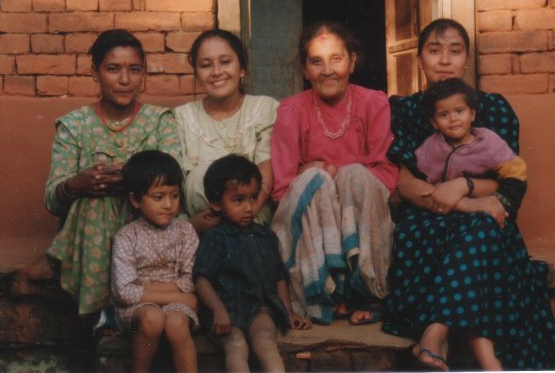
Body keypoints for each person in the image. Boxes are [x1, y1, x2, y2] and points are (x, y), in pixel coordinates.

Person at [382, 18, 555, 370]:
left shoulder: (493, 108)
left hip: (481, 213)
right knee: (469, 226)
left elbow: (507, 180)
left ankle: (434, 337)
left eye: (455, 51)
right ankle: (480, 357)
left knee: (483, 228)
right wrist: (467, 200)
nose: (445, 60)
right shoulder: (406, 110)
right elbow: (405, 185)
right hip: (427, 215)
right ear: (420, 57)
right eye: (434, 51)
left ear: (467, 58)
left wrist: (463, 185)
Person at [44, 29, 182, 332]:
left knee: (153, 196)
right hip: (91, 230)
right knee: (94, 201)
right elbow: (52, 201)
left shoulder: (160, 121)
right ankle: (104, 307)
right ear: (95, 72)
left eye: (134, 70)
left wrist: (133, 178)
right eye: (113, 69)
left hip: (151, 231)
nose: (124, 79)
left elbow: (174, 178)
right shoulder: (74, 126)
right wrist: (77, 185)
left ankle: (131, 303)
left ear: (143, 73)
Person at [270, 21, 398, 325]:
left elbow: (387, 175)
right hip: (314, 213)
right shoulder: (291, 111)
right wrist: (321, 181)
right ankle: (328, 292)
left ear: (352, 62)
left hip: (360, 199)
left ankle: (368, 290)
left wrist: (335, 173)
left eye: (336, 59)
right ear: (304, 70)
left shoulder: (374, 103)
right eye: (316, 62)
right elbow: (281, 188)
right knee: (315, 182)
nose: (327, 70)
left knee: (353, 176)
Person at [194, 155, 311, 373]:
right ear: (216, 203)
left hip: (259, 308)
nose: (248, 207)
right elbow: (201, 279)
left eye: (253, 198)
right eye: (238, 200)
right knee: (236, 347)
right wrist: (218, 309)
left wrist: (287, 311)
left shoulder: (265, 236)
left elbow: (278, 277)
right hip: (224, 310)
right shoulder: (216, 238)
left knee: (265, 343)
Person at [175, 29, 278, 234]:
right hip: (205, 227)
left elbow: (267, 166)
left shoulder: (265, 109)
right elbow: (177, 181)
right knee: (198, 176)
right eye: (206, 65)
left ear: (242, 68)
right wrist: (191, 225)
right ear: (196, 73)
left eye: (225, 62)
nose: (216, 72)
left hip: (255, 221)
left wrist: (248, 212)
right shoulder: (182, 117)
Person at [111, 150, 199, 373]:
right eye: (158, 197)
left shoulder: (185, 231)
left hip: (175, 306)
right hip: (138, 310)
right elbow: (124, 293)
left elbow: (190, 280)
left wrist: (146, 287)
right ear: (135, 200)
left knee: (177, 323)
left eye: (175, 195)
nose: (169, 205)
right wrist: (177, 295)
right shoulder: (127, 236)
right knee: (153, 317)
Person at [415, 77, 528, 229]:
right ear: (434, 123)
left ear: (472, 114)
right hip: (440, 209)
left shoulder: (487, 142)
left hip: (479, 209)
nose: (453, 119)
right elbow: (418, 177)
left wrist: (500, 201)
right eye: (443, 115)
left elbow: (516, 172)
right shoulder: (430, 146)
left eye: (459, 111)